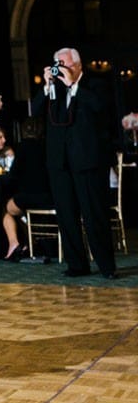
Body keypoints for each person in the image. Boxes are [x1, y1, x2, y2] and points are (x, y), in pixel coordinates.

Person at [31, 46, 117, 279]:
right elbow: (34, 111)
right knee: (67, 216)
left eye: (65, 64)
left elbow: (100, 108)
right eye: (58, 65)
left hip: (88, 161)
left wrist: (73, 85)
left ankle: (107, 266)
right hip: (59, 162)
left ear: (78, 65)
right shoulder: (54, 88)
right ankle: (77, 265)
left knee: (94, 214)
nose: (62, 70)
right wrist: (47, 84)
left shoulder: (95, 85)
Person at [1, 117, 53, 261]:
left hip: (31, 196)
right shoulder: (48, 145)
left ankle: (14, 243)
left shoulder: (23, 147)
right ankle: (32, 242)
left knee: (6, 208)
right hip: (51, 197)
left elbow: (13, 175)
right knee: (20, 209)